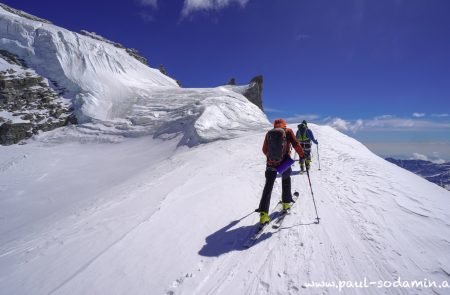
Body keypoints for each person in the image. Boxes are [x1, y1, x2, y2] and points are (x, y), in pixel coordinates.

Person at [257, 118, 304, 225]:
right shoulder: (288, 131)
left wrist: (272, 159)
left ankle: (263, 214)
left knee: (268, 187)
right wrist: (302, 155)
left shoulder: (269, 133)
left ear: (274, 125)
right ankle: (286, 203)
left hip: (270, 164)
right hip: (284, 163)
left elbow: (264, 150)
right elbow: (296, 144)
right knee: (286, 179)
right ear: (284, 125)